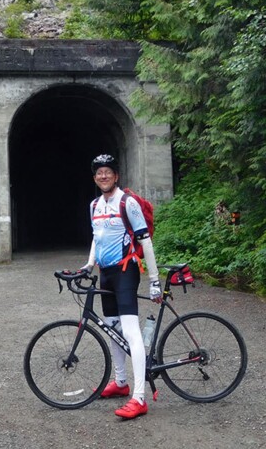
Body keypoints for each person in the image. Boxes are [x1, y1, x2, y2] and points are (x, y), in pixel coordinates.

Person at [81, 154, 162, 419]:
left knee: (130, 331)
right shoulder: (94, 205)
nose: (103, 176)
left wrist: (154, 281)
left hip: (126, 272)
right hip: (106, 273)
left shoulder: (127, 203)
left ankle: (139, 398)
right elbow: (97, 237)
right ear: (95, 178)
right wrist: (89, 264)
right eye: (99, 173)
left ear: (116, 176)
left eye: (108, 172)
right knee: (112, 329)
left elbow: (145, 241)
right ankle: (120, 382)